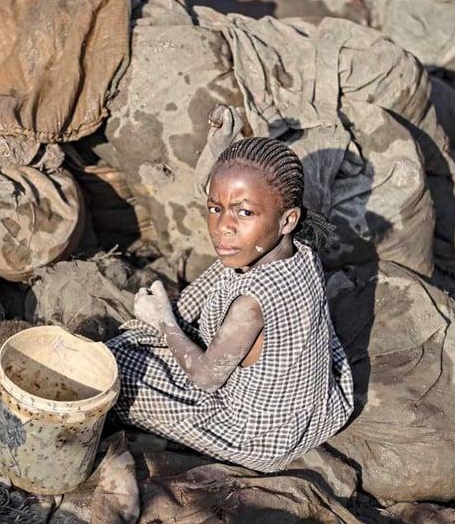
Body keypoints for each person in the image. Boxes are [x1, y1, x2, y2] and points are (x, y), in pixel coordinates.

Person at [106, 135, 354, 473]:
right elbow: (216, 275)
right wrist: (217, 145)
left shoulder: (250, 306)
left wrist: (164, 321)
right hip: (310, 407)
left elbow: (206, 379)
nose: (223, 227)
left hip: (258, 435)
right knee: (148, 336)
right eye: (214, 209)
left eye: (245, 212)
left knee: (118, 366)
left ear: (288, 220)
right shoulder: (298, 250)